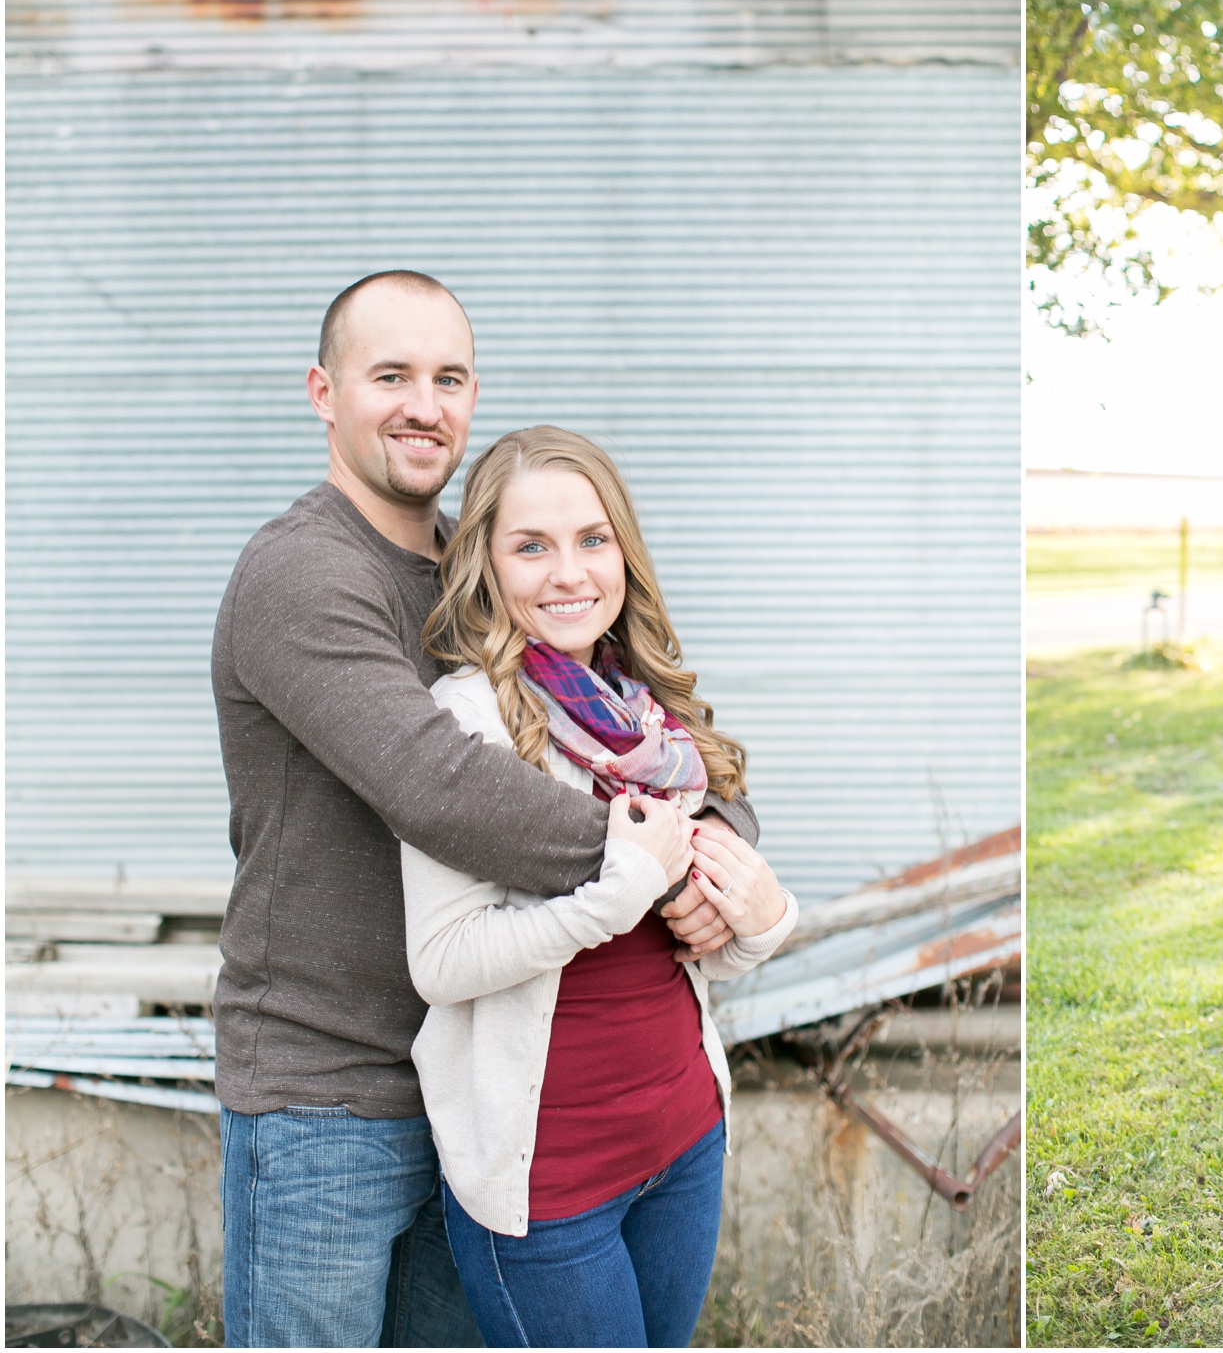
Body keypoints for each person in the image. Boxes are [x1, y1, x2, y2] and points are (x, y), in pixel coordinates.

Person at [210, 272, 742, 1346]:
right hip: (332, 1089)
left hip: (486, 1084)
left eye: (447, 377)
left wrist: (726, 837)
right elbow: (440, 788)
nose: (423, 403)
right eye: (390, 375)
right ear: (323, 390)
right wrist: (672, 866)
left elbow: (656, 719)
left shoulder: (487, 562)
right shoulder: (301, 574)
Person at [404, 425, 796, 1346]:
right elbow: (442, 960)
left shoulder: (649, 717)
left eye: (591, 539)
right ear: (487, 567)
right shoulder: (465, 722)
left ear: (624, 550)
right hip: (550, 1182)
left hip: (684, 1139)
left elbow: (706, 948)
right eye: (530, 546)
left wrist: (765, 916)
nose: (568, 572)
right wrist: (612, 895)